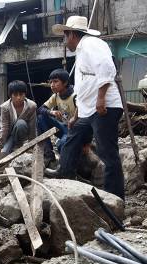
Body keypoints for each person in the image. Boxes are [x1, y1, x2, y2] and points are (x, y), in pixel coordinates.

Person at [48, 16, 125, 199]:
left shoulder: (92, 44)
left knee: (107, 152)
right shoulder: (82, 51)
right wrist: (76, 115)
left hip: (104, 108)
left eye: (65, 37)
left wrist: (101, 98)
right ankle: (64, 171)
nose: (64, 42)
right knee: (73, 136)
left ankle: (114, 197)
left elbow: (107, 69)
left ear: (72, 34)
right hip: (89, 110)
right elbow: (85, 88)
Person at [37, 69, 76, 165]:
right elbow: (40, 109)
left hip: (75, 130)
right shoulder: (56, 96)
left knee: (61, 144)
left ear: (65, 82)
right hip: (64, 128)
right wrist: (52, 112)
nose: (52, 85)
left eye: (55, 81)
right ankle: (49, 155)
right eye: (51, 82)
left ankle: (64, 166)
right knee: (41, 117)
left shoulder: (75, 96)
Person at [0, 80, 37, 153]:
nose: (18, 97)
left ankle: (22, 144)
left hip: (25, 137)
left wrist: (32, 144)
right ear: (10, 95)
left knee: (21, 123)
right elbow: (4, 127)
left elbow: (32, 126)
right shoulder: (5, 108)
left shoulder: (31, 106)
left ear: (25, 94)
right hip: (11, 135)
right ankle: (16, 145)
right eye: (15, 94)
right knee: (4, 153)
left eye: (21, 94)